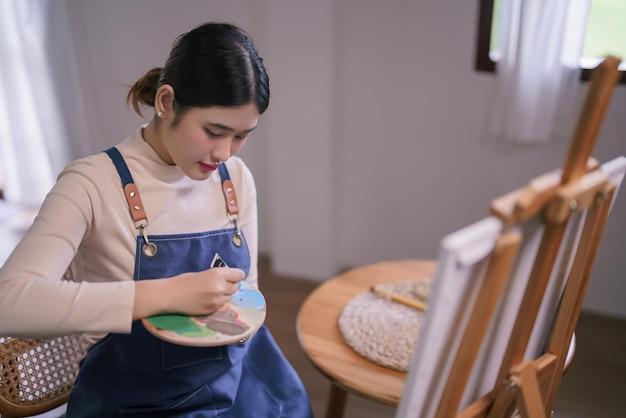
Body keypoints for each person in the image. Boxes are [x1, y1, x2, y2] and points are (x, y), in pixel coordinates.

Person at [0, 22, 313, 417]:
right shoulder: (92, 183)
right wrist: (167, 295)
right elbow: (8, 303)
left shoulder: (236, 180)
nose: (225, 153)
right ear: (166, 102)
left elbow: (245, 296)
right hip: (136, 399)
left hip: (237, 381)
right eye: (214, 131)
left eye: (241, 135)